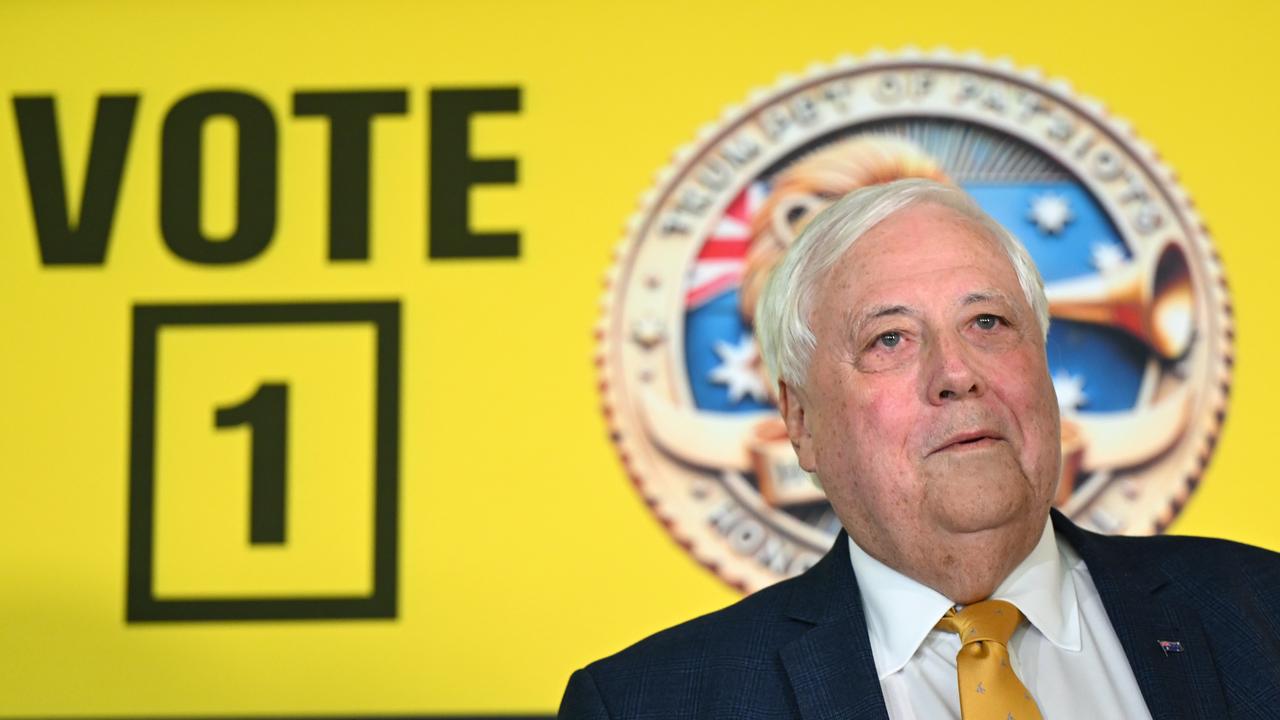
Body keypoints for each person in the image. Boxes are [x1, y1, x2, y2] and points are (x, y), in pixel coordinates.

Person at [559, 179, 1280, 719]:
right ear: (800, 420)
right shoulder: (650, 703)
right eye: (890, 339)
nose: (957, 373)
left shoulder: (1260, 613)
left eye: (988, 322)